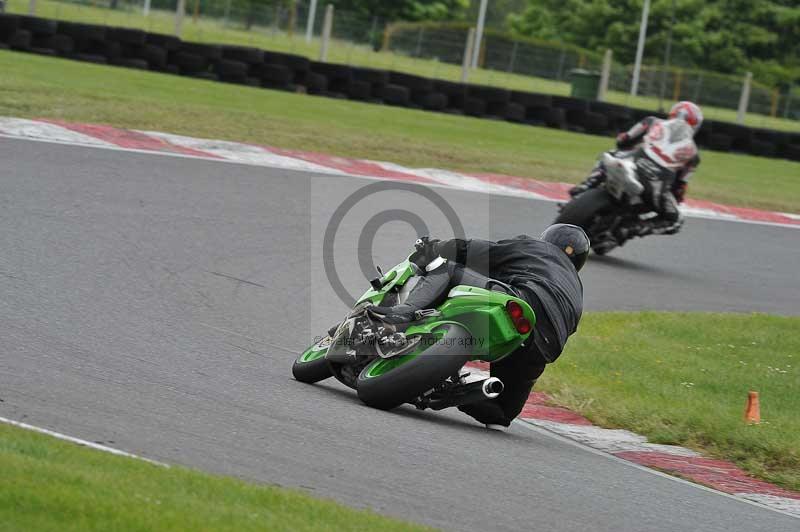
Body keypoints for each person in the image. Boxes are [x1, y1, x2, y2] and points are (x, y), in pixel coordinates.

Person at [370, 224, 588, 430]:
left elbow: (475, 250)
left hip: (520, 300)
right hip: (542, 345)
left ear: (547, 240)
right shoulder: (577, 290)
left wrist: (434, 248)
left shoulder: (536, 248)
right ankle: (453, 392)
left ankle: (405, 313)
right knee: (501, 414)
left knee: (445, 269)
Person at [569, 101, 703, 240]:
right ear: (695, 126)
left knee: (611, 153)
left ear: (672, 114)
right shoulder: (694, 155)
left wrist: (626, 140)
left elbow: (623, 140)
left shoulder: (652, 121)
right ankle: (629, 229)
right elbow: (679, 187)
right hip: (655, 185)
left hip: (632, 162)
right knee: (675, 221)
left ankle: (586, 185)